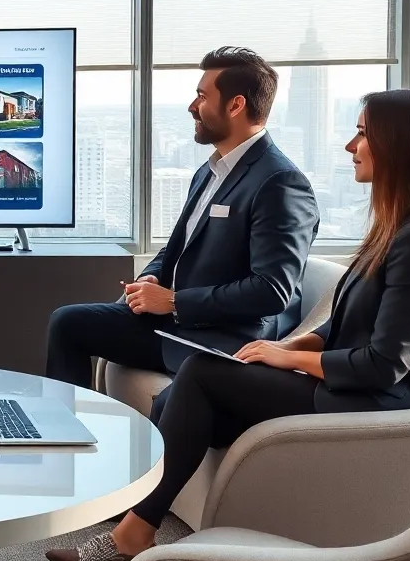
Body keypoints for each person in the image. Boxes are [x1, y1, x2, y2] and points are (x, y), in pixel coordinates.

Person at [48, 87, 410, 561]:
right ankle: (130, 520)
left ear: (403, 147)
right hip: (357, 383)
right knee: (180, 396)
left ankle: (129, 538)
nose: (350, 146)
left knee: (199, 376)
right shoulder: (397, 230)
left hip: (382, 401)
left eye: (363, 134)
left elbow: (386, 364)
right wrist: (299, 342)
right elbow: (349, 323)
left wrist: (285, 356)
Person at [45, 47, 320, 418]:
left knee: (73, 325)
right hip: (176, 322)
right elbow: (176, 249)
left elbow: (272, 290)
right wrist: (150, 278)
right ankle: (64, 434)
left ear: (236, 105)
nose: (193, 106)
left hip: (222, 338)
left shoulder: (280, 182)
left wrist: (174, 301)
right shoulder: (209, 172)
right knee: (68, 321)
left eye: (203, 96)